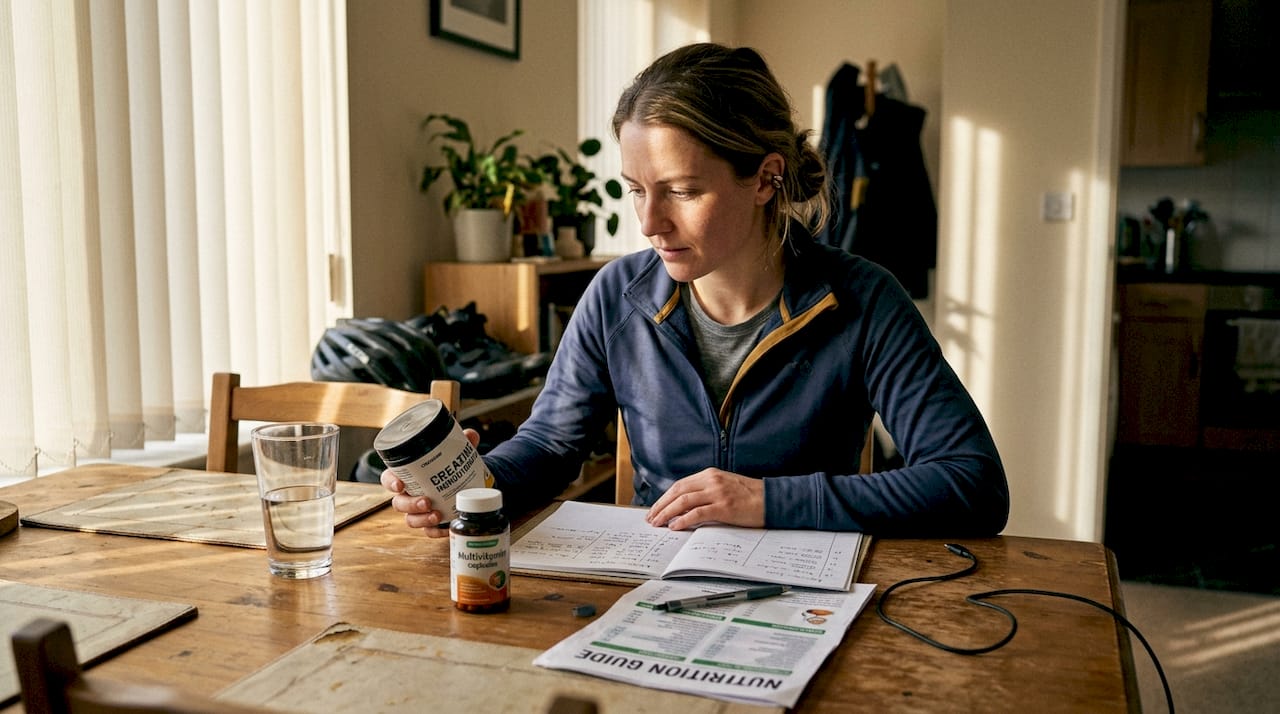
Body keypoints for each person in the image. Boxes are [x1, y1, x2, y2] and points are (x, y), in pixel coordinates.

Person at [383, 42, 1008, 538]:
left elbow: (972, 483)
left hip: (811, 596)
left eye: (682, 191)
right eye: (636, 189)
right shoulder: (615, 296)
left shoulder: (864, 300)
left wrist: (765, 500)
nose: (650, 223)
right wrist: (476, 489)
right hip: (655, 587)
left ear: (765, 178)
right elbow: (551, 444)